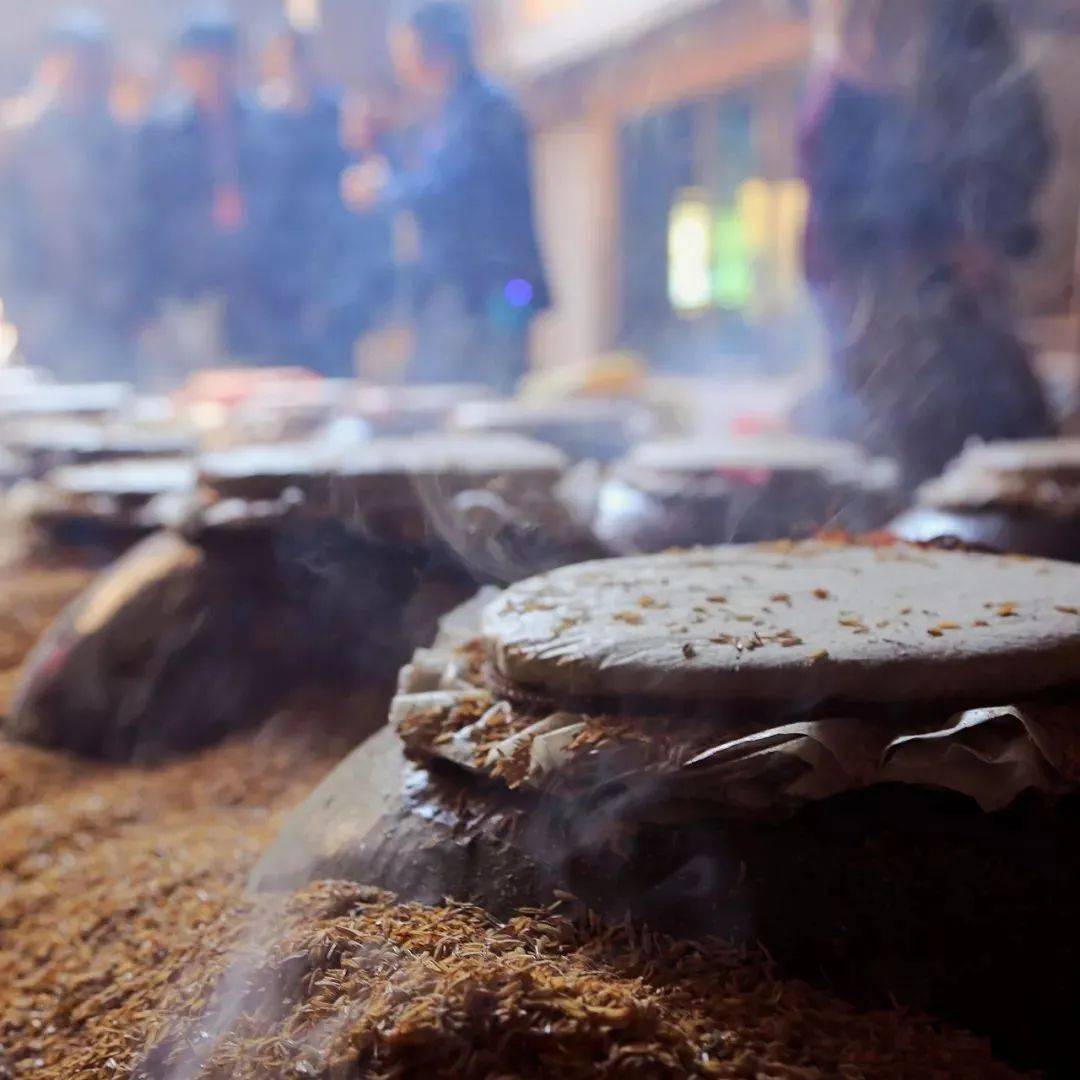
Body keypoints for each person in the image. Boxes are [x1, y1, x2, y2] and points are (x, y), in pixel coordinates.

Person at [797, 0, 1053, 488]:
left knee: (1006, 466)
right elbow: (834, 234)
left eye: (885, 28)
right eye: (855, 31)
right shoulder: (833, 104)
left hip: (967, 319)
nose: (869, 45)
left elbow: (1024, 148)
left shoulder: (971, 46)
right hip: (876, 327)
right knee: (876, 466)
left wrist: (983, 237)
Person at [342, 0, 551, 393]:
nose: (400, 65)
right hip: (461, 292)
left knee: (489, 395)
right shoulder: (448, 111)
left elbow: (451, 186)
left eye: (404, 51)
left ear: (433, 47)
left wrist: (384, 188)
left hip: (496, 290)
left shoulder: (486, 108)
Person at [0, 10, 142, 380]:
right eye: (74, 64)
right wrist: (37, 317)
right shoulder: (17, 140)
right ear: (51, 65)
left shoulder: (121, 139)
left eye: (93, 66)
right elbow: (9, 240)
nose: (84, 77)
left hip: (114, 327)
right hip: (45, 328)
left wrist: (134, 307)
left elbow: (137, 229)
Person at [252, 24, 393, 375]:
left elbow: (361, 192)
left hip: (335, 272)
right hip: (282, 284)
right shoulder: (263, 122)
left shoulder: (339, 114)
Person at [138, 10, 266, 361]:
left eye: (221, 60)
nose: (213, 72)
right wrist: (145, 304)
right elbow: (143, 219)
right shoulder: (160, 134)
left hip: (256, 297)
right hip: (185, 295)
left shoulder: (266, 128)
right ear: (183, 66)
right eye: (201, 61)